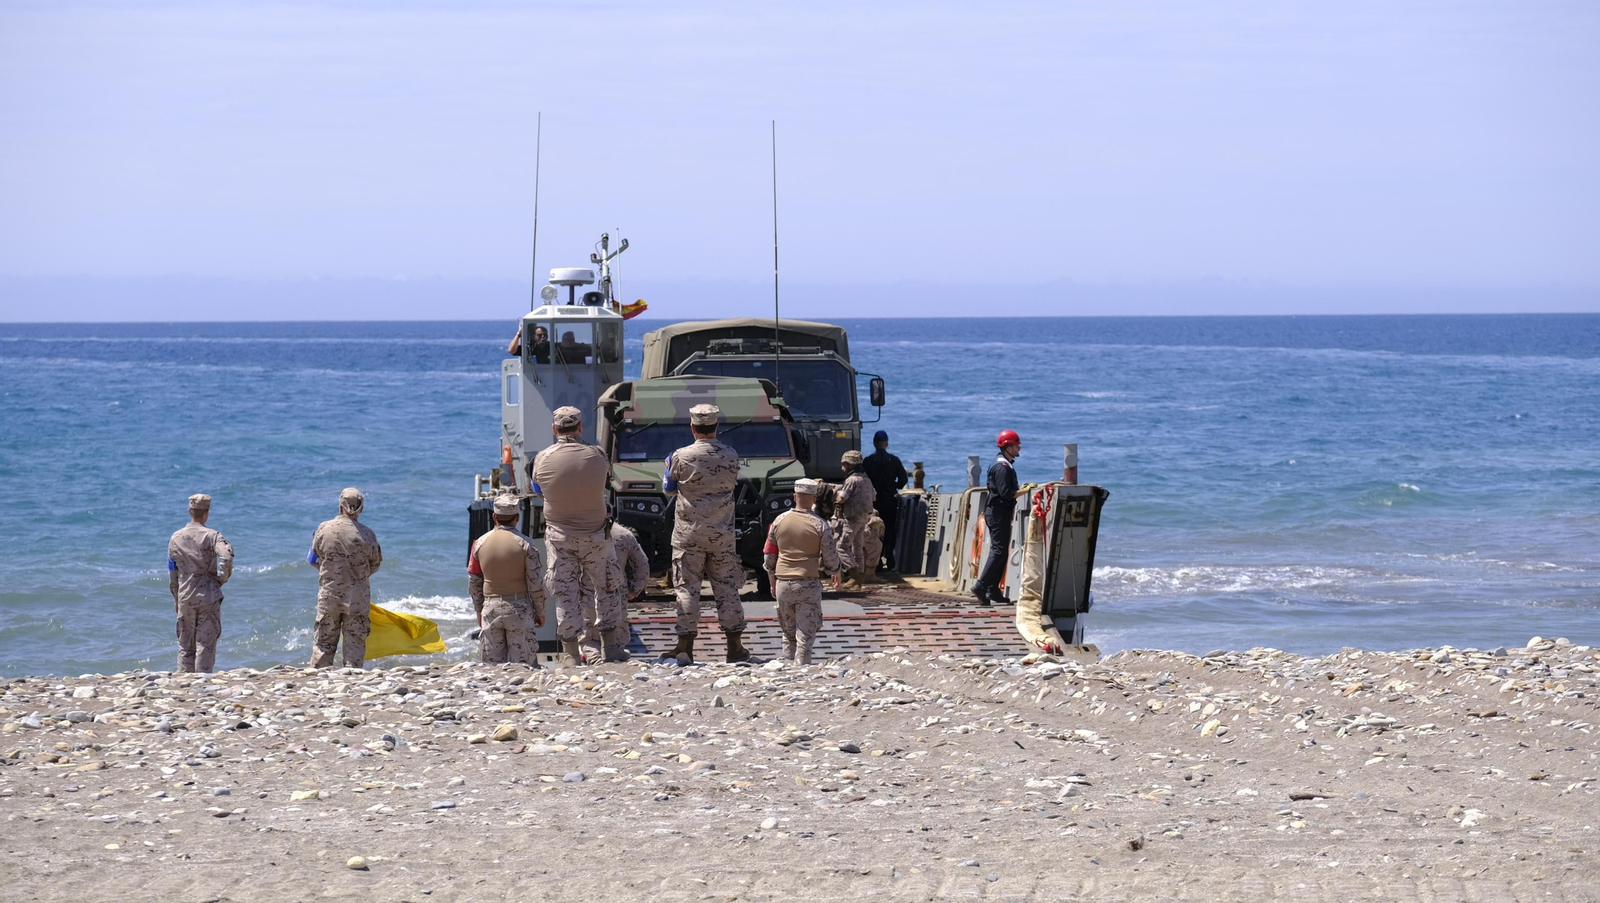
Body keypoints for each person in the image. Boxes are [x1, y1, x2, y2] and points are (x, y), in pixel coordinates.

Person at [662, 403, 747, 664]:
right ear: (716, 426)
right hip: (722, 534)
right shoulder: (731, 455)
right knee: (727, 588)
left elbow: (668, 488)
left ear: (692, 427)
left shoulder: (680, 456)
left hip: (689, 534)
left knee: (687, 589)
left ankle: (684, 647)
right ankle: (734, 647)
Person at [530, 405, 613, 667]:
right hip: (595, 535)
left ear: (555, 429)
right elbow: (605, 482)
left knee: (566, 594)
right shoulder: (598, 455)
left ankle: (570, 655)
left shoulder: (542, 458)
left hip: (560, 536)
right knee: (604, 588)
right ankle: (608, 649)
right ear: (579, 428)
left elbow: (538, 489)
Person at [762, 479, 840, 664]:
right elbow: (830, 557)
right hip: (807, 583)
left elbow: (769, 557)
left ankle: (787, 668)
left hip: (782, 583)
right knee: (805, 634)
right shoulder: (820, 525)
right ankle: (802, 671)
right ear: (814, 498)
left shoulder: (778, 522)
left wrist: (772, 581)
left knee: (788, 633)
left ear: (794, 496)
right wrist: (835, 572)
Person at [307, 487, 383, 668]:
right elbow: (375, 564)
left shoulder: (323, 529)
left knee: (323, 643)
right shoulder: (368, 534)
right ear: (361, 509)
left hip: (329, 594)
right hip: (357, 597)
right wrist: (356, 577)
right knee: (355, 644)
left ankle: (320, 679)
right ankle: (352, 679)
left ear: (340, 506)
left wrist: (332, 572)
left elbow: (312, 559)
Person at [468, 493, 546, 665]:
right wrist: (539, 611)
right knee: (522, 665)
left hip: (491, 608)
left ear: (494, 516)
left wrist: (479, 610)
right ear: (517, 518)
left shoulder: (479, 544)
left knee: (493, 667)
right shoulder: (526, 544)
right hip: (519, 609)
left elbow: (474, 582)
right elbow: (535, 584)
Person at [167, 493, 234, 673]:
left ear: (190, 511)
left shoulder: (176, 537)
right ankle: (202, 684)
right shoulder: (212, 536)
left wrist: (176, 598)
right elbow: (226, 557)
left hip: (185, 596)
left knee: (185, 644)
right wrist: (221, 579)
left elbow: (173, 572)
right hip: (208, 596)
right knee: (205, 643)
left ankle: (184, 682)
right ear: (207, 513)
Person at [578, 522, 650, 663]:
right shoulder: (624, 534)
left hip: (588, 594)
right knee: (616, 635)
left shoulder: (578, 532)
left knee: (589, 637)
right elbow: (642, 564)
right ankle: (613, 658)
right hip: (616, 594)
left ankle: (595, 660)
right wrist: (635, 589)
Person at [972, 430, 1028, 606]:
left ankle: (992, 589)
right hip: (997, 513)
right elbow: (1006, 494)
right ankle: (981, 586)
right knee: (998, 551)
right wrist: (1024, 491)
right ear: (1008, 447)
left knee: (1001, 551)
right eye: (1016, 445)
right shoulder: (1002, 468)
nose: (1019, 448)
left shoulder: (1003, 464)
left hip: (998, 512)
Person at [861, 429, 908, 569]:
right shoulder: (894, 460)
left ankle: (878, 560)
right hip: (889, 498)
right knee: (890, 528)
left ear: (874, 443)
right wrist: (893, 485)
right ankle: (890, 555)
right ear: (886, 444)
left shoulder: (868, 461)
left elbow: (864, 480)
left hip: (874, 500)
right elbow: (903, 479)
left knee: (874, 528)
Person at [832, 449, 875, 590]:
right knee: (858, 547)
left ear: (850, 465)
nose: (842, 468)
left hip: (851, 519)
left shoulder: (851, 480)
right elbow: (874, 497)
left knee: (842, 546)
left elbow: (841, 498)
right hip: (864, 518)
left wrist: (836, 491)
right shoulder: (867, 479)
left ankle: (854, 576)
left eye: (844, 464)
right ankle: (859, 579)